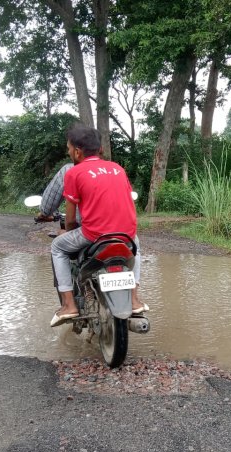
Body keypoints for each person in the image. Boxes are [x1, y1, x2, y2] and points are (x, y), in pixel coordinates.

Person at [49, 124, 147, 327]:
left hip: (94, 235)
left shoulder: (74, 173)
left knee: (57, 247)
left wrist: (66, 231)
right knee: (136, 244)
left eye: (69, 149)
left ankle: (68, 305)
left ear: (77, 151)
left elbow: (70, 220)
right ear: (99, 149)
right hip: (126, 234)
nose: (69, 153)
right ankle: (135, 299)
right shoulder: (118, 169)